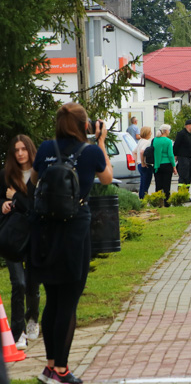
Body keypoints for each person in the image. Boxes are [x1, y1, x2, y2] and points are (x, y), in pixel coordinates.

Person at [32, 103, 113, 383]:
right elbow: (107, 178)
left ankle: (50, 365)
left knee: (52, 298)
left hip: (44, 233)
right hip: (75, 231)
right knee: (69, 300)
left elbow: (34, 181)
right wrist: (100, 141)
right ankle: (62, 372)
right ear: (84, 125)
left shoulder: (44, 149)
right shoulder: (90, 151)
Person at [1, 135, 40, 351]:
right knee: (19, 283)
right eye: (16, 150)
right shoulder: (6, 175)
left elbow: (35, 207)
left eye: (23, 149)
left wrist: (16, 197)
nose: (20, 153)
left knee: (32, 283)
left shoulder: (38, 175)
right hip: (13, 236)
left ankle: (33, 318)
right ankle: (18, 332)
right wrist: (4, 204)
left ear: (30, 150)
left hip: (33, 235)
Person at [152, 124, 176, 203]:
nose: (169, 132)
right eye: (169, 130)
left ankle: (158, 201)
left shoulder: (154, 140)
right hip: (167, 164)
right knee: (166, 184)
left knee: (158, 184)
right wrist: (174, 166)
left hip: (157, 165)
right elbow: (170, 155)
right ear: (165, 131)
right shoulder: (168, 141)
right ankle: (167, 201)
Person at [173, 119, 191, 188]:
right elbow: (176, 145)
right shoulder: (181, 134)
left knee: (189, 175)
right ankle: (181, 193)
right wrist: (175, 155)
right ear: (188, 126)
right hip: (183, 158)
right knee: (183, 175)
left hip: (189, 157)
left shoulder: (189, 134)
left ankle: (186, 192)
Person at [134, 126, 153, 200]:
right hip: (146, 165)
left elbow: (134, 152)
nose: (151, 134)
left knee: (142, 182)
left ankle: (141, 197)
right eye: (150, 132)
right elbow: (142, 151)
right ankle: (144, 198)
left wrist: (137, 161)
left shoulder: (140, 141)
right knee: (146, 183)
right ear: (147, 133)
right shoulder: (147, 142)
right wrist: (143, 162)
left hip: (139, 165)